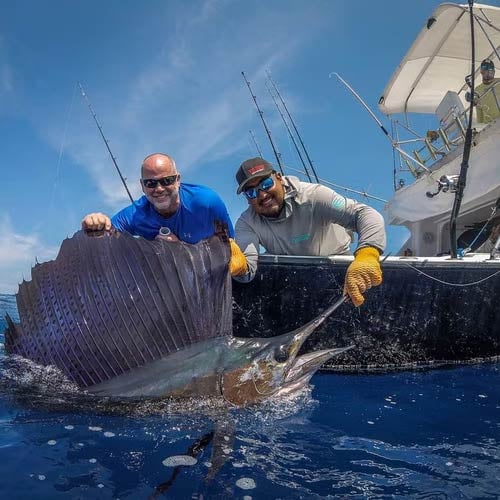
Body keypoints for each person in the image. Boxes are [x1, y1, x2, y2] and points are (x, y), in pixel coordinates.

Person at [233, 157, 387, 307]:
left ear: (279, 178)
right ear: (247, 199)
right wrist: (237, 267)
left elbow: (365, 214)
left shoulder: (315, 196)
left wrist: (368, 255)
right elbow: (247, 270)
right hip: (290, 289)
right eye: (251, 193)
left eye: (266, 184)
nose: (262, 195)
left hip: (342, 279)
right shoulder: (246, 223)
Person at [82, 152, 247, 276]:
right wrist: (96, 225)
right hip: (170, 285)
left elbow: (234, 256)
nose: (159, 189)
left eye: (166, 180)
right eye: (151, 183)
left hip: (209, 278)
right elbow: (107, 237)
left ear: (178, 179)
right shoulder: (135, 215)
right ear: (142, 185)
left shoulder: (206, 202)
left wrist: (182, 253)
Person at [468, 58, 500, 124]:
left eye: (490, 70)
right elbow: (479, 110)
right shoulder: (477, 90)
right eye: (485, 70)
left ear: (494, 71)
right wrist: (480, 127)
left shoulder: (498, 82)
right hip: (487, 126)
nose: (488, 72)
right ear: (481, 72)